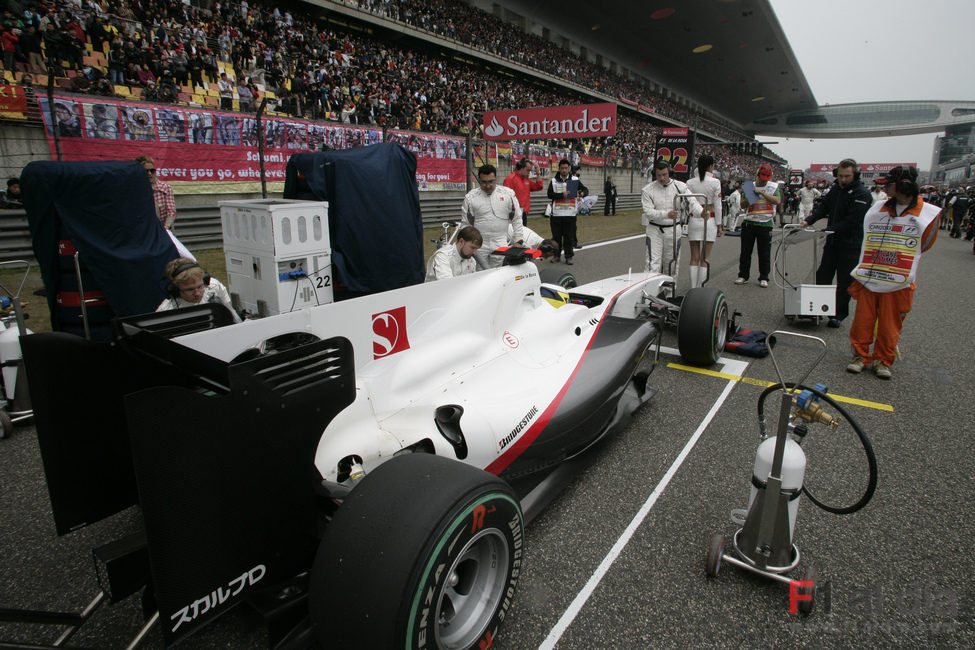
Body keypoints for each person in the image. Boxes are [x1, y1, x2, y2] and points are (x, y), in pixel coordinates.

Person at [846, 166, 938, 380]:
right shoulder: (877, 208)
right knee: (863, 320)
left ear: (903, 185)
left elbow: (926, 244)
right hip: (872, 276)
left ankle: (883, 360)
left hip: (899, 280)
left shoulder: (927, 213)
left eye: (888, 184)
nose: (884, 188)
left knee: (890, 325)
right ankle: (859, 355)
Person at [800, 159, 872, 327]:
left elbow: (852, 220)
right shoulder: (835, 189)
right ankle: (819, 307)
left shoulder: (862, 194)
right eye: (840, 176)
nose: (843, 179)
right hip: (833, 242)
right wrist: (808, 220)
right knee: (823, 275)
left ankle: (838, 314)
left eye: (847, 176)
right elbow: (823, 207)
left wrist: (829, 229)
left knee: (844, 281)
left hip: (851, 244)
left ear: (855, 175)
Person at [641, 159, 702, 282]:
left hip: (673, 229)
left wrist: (701, 212)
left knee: (672, 263)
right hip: (654, 229)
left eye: (664, 174)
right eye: (658, 175)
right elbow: (648, 212)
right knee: (652, 264)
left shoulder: (680, 187)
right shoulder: (648, 190)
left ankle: (669, 293)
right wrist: (666, 214)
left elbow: (692, 203)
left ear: (669, 172)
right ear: (655, 174)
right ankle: (650, 295)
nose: (662, 178)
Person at [461, 164, 522, 270]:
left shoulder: (508, 194)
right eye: (484, 182)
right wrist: (467, 244)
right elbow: (466, 224)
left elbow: (517, 218)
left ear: (496, 179)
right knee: (479, 274)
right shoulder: (470, 198)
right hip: (478, 244)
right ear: (478, 180)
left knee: (500, 273)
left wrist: (518, 240)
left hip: (500, 241)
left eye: (491, 181)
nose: (488, 185)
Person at [736, 163, 781, 287]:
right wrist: (752, 196)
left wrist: (763, 193)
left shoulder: (773, 187)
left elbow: (777, 201)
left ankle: (764, 277)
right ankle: (743, 275)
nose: (763, 180)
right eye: (761, 177)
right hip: (749, 222)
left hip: (765, 224)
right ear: (757, 175)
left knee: (764, 252)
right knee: (745, 252)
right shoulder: (749, 186)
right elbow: (742, 205)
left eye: (766, 178)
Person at [157, 258, 241, 322]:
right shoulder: (165, 312)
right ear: (176, 290)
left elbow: (233, 316)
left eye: (200, 287)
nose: (197, 293)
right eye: (190, 290)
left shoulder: (214, 287)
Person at [685, 155, 723, 288]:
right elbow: (718, 205)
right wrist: (719, 224)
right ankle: (701, 288)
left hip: (694, 219)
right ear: (710, 166)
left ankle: (693, 287)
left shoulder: (690, 182)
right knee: (705, 258)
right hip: (710, 219)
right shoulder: (715, 182)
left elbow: (688, 203)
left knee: (694, 257)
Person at [546, 159, 588, 265]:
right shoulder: (554, 181)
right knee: (556, 237)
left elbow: (586, 189)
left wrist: (582, 193)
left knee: (569, 237)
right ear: (559, 168)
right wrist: (561, 195)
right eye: (562, 168)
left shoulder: (574, 179)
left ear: (569, 168)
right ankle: (556, 255)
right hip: (556, 214)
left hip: (570, 214)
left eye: (566, 168)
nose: (564, 170)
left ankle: (569, 256)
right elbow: (549, 194)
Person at [136, 155, 177, 229]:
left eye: (152, 170)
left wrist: (166, 227)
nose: (149, 173)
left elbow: (171, 211)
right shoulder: (136, 189)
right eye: (146, 171)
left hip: (163, 228)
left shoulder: (165, 187)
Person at [503, 158, 543, 226]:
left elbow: (539, 186)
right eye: (527, 170)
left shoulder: (526, 180)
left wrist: (538, 173)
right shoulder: (510, 179)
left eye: (530, 170)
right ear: (521, 168)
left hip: (523, 213)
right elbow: (506, 197)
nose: (529, 172)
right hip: (513, 213)